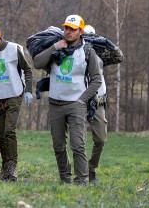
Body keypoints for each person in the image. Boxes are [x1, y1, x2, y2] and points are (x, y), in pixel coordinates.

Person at [33, 15, 102, 186]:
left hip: (75, 105)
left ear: (80, 31)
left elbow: (96, 80)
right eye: (66, 28)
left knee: (78, 145)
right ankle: (65, 178)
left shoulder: (88, 51)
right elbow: (37, 63)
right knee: (58, 146)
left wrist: (82, 100)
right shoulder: (56, 47)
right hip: (55, 103)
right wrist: (55, 46)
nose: (68, 32)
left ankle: (81, 181)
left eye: (72, 29)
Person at [0, 24, 33, 182]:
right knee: (1, 133)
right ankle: (5, 169)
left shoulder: (14, 49)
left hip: (15, 94)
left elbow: (27, 70)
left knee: (9, 130)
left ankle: (12, 168)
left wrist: (28, 90)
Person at [83, 24, 124, 183]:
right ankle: (80, 172)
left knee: (100, 139)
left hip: (97, 100)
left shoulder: (101, 55)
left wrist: (105, 42)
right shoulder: (73, 53)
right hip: (77, 99)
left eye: (91, 37)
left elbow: (119, 56)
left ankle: (91, 167)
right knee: (78, 140)